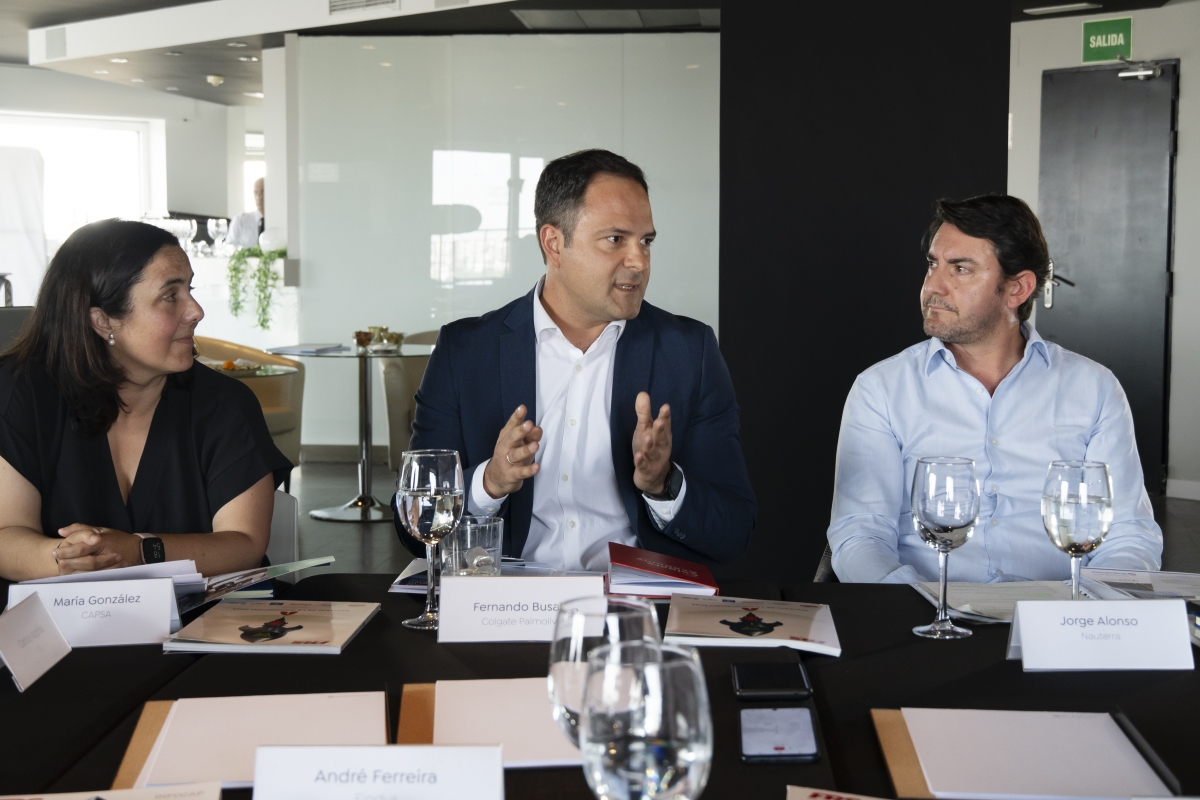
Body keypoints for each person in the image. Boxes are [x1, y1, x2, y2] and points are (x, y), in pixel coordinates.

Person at [396, 149, 755, 570]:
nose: (639, 261)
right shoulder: (464, 351)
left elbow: (735, 529)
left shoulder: (688, 351)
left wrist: (664, 485)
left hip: (633, 612)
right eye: (615, 239)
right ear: (554, 243)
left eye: (646, 241)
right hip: (503, 608)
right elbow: (411, 526)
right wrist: (489, 483)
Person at [827, 195, 1162, 583]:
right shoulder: (880, 390)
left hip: (1056, 620)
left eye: (961, 269)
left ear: (1017, 289)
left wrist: (1087, 615)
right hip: (927, 621)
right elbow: (861, 534)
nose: (933, 286)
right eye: (933, 265)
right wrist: (922, 607)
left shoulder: (1094, 389)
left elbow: (1128, 534)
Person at [0, 219, 292, 583]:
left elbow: (244, 543)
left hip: (201, 627)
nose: (196, 310)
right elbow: (6, 534)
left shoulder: (224, 404)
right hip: (57, 629)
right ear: (102, 320)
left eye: (190, 289)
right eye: (171, 296)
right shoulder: (21, 393)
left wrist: (139, 551)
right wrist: (72, 560)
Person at [227, 176, 264, 248]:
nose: (259, 197)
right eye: (256, 192)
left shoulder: (280, 221)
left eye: (263, 191)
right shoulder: (240, 220)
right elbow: (229, 247)